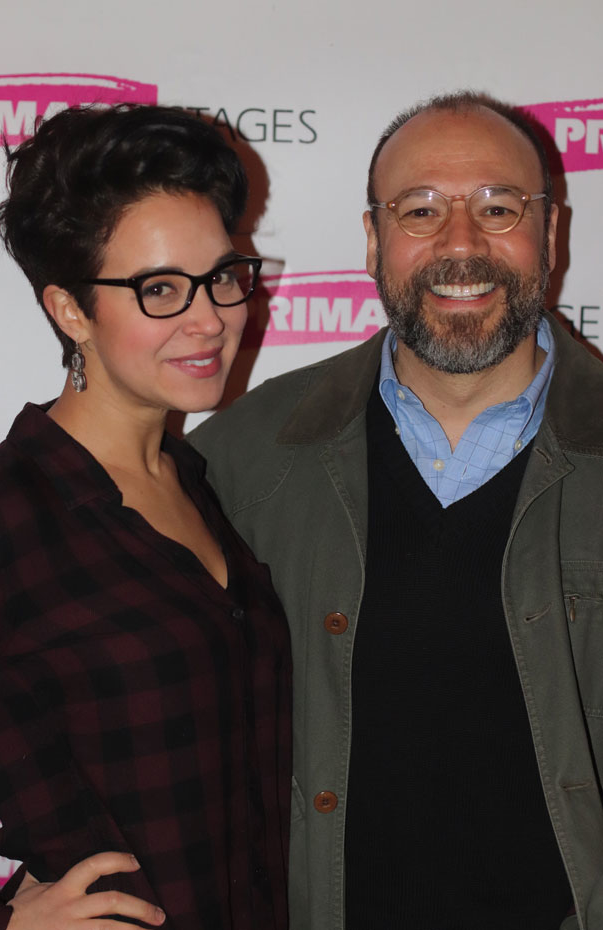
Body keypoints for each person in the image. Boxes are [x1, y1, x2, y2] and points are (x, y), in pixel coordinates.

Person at [191, 91, 603, 930]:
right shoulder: (241, 460)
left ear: (551, 236)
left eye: (498, 207)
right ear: (374, 240)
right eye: (420, 210)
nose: (461, 244)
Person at [0, 104, 291, 930]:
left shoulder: (203, 482)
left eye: (224, 275)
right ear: (71, 311)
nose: (210, 318)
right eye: (159, 290)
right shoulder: (5, 516)